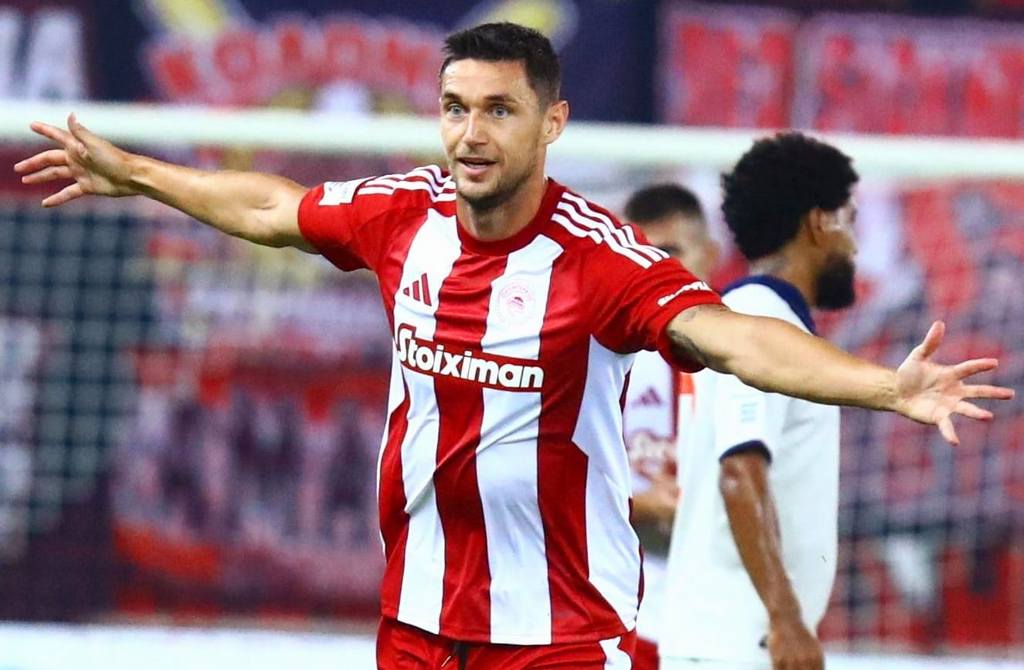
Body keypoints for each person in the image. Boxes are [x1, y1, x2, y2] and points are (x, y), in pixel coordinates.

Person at [14, 22, 1011, 670]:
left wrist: (885, 388)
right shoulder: (402, 214)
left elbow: (734, 339)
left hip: (558, 636)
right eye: (456, 108)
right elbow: (274, 208)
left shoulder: (601, 258)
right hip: (416, 621)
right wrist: (140, 174)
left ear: (552, 123)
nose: (471, 134)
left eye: (499, 109)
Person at [659, 132, 863, 670]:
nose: (854, 246)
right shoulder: (759, 319)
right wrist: (786, 618)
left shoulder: (761, 319)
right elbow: (739, 472)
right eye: (850, 220)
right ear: (820, 222)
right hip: (733, 645)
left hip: (728, 643)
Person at [621, 183, 719, 669]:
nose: (657, 269)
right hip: (621, 610)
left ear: (710, 256)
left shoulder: (747, 360)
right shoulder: (597, 356)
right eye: (645, 255)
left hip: (718, 611)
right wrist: (640, 504)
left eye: (672, 253)